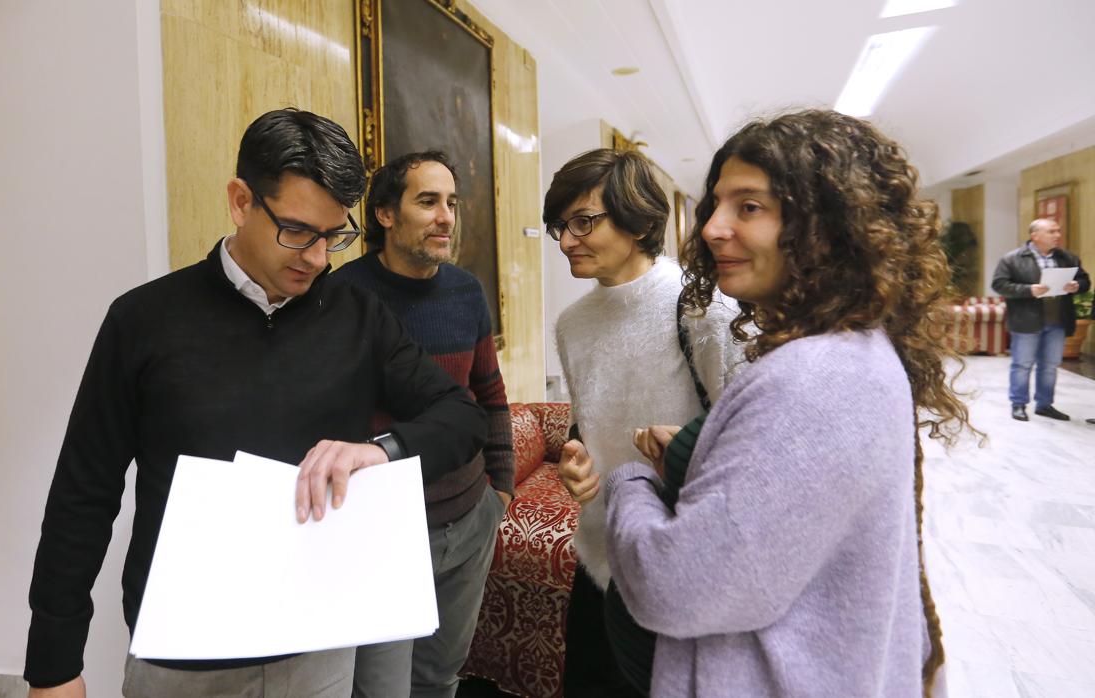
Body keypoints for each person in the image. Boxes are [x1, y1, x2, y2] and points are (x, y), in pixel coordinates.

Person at [24, 109, 487, 698]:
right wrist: (54, 663)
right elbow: (83, 493)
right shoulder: (143, 320)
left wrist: (383, 451)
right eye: (297, 232)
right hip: (184, 653)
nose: (318, 258)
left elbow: (462, 416)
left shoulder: (357, 318)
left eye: (334, 236)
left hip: (318, 643)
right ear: (242, 201)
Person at [603, 109, 975, 697]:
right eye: (717, 204)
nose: (712, 228)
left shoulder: (814, 378)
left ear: (827, 228)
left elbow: (677, 587)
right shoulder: (846, 351)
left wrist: (627, 485)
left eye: (749, 207)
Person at [544, 148, 741, 697]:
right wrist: (578, 459)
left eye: (584, 221)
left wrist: (682, 450)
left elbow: (745, 443)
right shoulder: (572, 325)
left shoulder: (702, 309)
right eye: (559, 226)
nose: (565, 241)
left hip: (679, 563)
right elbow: (586, 424)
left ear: (637, 220)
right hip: (600, 558)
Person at [332, 151, 513, 698]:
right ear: (385, 214)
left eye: (452, 203)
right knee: (378, 688)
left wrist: (499, 492)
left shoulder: (466, 291)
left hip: (468, 517)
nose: (446, 217)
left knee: (439, 678)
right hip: (383, 527)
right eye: (428, 201)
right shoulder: (343, 298)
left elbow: (489, 394)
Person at [991, 218, 1090, 421]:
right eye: (1052, 231)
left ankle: (1045, 405)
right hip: (1026, 321)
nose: (1057, 235)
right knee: (1022, 364)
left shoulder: (1068, 257)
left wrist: (1076, 286)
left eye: (1058, 231)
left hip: (1057, 322)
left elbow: (1085, 281)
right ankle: (1018, 404)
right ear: (1035, 236)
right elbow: (999, 285)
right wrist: (1029, 290)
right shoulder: (1012, 259)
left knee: (1050, 365)